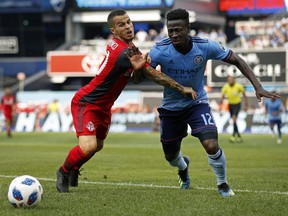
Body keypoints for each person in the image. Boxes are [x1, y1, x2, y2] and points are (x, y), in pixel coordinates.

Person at [56, 9, 197, 193]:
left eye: (129, 22)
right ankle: (63, 171)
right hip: (87, 103)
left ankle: (75, 168)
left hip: (104, 107)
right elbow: (153, 74)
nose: (128, 26)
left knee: (97, 146)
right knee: (88, 146)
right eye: (121, 24)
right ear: (114, 31)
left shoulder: (129, 49)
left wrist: (139, 69)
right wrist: (181, 88)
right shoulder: (123, 53)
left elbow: (138, 76)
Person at [147, 8, 280, 197]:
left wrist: (257, 86)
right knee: (170, 155)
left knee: (211, 144)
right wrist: (138, 67)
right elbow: (140, 76)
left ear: (188, 28)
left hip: (196, 103)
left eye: (179, 30)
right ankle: (183, 167)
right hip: (171, 107)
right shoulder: (159, 49)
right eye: (171, 30)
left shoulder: (205, 46)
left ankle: (223, 184)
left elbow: (237, 60)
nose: (174, 34)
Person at [220, 75, 248, 143]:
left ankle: (233, 135)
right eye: (229, 80)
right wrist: (222, 101)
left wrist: (246, 104)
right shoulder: (226, 86)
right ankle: (238, 135)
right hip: (230, 105)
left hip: (237, 104)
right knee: (233, 120)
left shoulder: (238, 86)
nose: (230, 81)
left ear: (234, 80)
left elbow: (244, 94)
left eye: (231, 79)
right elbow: (223, 94)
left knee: (234, 118)